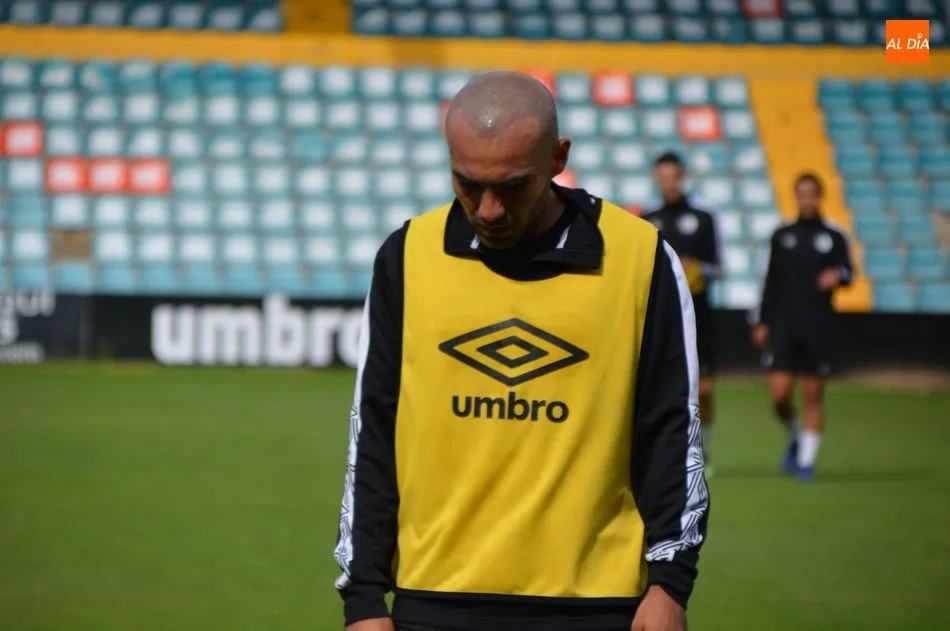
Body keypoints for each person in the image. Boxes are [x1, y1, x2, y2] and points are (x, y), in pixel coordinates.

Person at [333, 71, 709, 631]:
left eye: (511, 186)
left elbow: (672, 425)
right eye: (467, 184)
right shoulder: (407, 256)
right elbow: (375, 428)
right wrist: (363, 598)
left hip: (597, 603)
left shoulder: (639, 258)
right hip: (434, 597)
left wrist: (671, 583)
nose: (487, 210)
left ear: (558, 158)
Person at [750, 172, 853, 482]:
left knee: (812, 395)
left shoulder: (834, 235)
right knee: (779, 395)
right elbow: (771, 280)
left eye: (812, 194)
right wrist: (762, 320)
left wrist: (837, 275)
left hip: (818, 326)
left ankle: (806, 462)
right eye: (801, 194)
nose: (807, 199)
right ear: (795, 196)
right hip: (783, 324)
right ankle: (796, 436)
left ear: (819, 196)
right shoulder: (782, 235)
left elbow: (848, 271)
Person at [641, 153, 722, 475]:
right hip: (662, 316)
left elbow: (721, 265)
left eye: (673, 176)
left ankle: (703, 445)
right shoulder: (648, 217)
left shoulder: (704, 216)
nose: (668, 183)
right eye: (663, 177)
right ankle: (665, 452)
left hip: (698, 315)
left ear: (683, 177)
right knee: (660, 389)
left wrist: (698, 270)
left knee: (703, 389)